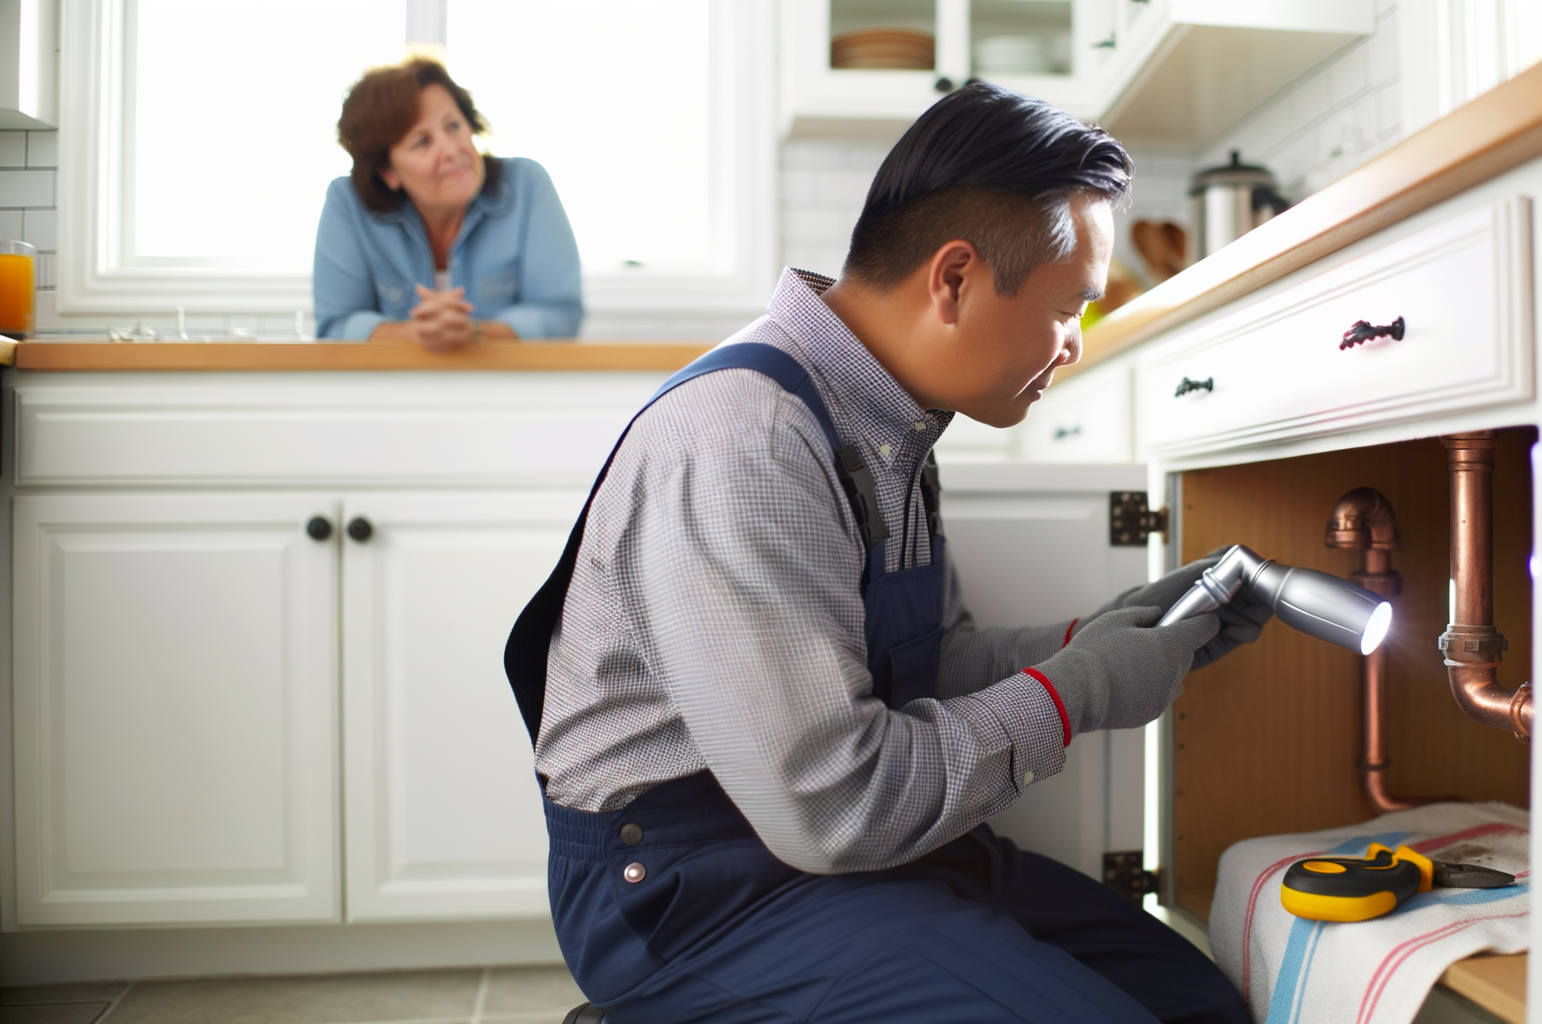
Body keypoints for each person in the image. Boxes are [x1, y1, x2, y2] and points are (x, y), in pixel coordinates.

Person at [505, 83, 1265, 1023]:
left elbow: (926, 666)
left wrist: (1106, 634)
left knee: (1200, 1005)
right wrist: (1085, 687)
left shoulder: (891, 420)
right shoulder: (748, 441)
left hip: (849, 845)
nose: (1072, 346)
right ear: (953, 280)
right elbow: (834, 802)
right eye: (1070, 307)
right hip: (693, 891)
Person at [314, 58, 582, 348]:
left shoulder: (527, 183)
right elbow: (335, 326)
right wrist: (417, 334)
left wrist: (474, 332)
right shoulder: (347, 201)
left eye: (453, 126)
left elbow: (561, 314)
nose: (452, 150)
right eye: (422, 142)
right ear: (387, 171)